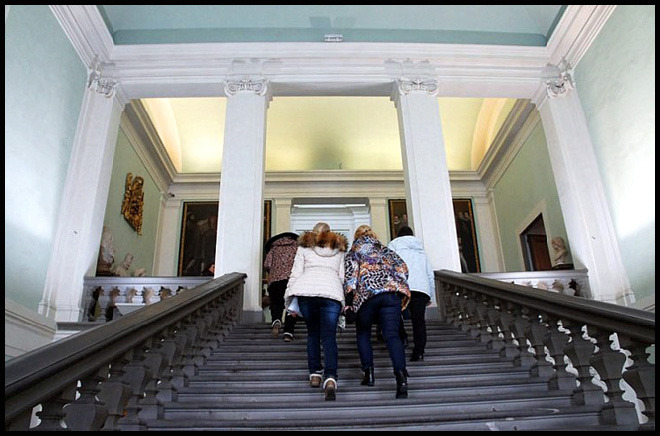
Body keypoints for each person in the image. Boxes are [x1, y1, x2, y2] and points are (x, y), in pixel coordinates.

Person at [344, 224, 411, 399]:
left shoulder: (354, 252)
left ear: (356, 237)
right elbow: (403, 268)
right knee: (392, 335)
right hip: (390, 295)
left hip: (367, 296)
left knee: (363, 333)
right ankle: (401, 378)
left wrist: (349, 304)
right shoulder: (385, 250)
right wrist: (396, 284)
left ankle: (369, 374)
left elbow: (350, 278)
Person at [284, 222, 347, 401]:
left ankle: (315, 374)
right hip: (331, 294)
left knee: (312, 334)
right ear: (329, 233)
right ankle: (330, 378)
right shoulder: (339, 250)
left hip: (306, 293)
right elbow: (342, 277)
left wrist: (289, 299)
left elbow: (295, 273)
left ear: (313, 233)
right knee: (329, 336)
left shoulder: (304, 248)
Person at [388, 226, 436, 362]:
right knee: (418, 320)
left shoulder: (393, 246)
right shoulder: (421, 250)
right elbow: (430, 274)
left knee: (396, 315)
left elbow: (389, 268)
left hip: (401, 287)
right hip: (421, 288)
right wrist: (431, 295)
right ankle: (419, 352)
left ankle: (402, 338)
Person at [263, 232, 300, 339]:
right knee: (291, 306)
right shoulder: (297, 249)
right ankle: (288, 332)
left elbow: (267, 264)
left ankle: (276, 320)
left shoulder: (273, 249)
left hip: (275, 281)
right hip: (292, 281)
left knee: (276, 303)